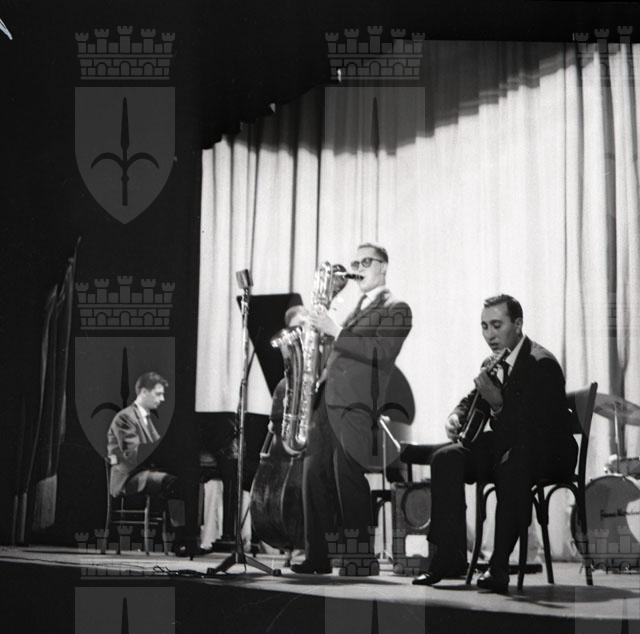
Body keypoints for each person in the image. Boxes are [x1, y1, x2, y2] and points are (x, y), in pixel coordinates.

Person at [413, 295, 577, 592]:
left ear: (518, 324)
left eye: (497, 325)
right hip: (509, 448)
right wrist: (456, 415)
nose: (489, 334)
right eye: (484, 326)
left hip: (548, 452)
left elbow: (539, 428)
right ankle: (449, 557)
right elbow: (471, 399)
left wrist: (499, 405)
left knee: (514, 462)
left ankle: (498, 566)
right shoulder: (492, 362)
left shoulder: (542, 363)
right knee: (446, 458)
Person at [291, 242, 412, 576]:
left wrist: (335, 330)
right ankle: (318, 557)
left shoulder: (397, 307)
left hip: (358, 403)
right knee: (314, 475)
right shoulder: (358, 306)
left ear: (383, 266)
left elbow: (382, 351)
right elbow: (341, 350)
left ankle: (361, 559)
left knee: (347, 476)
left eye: (365, 262)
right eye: (355, 263)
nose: (358, 269)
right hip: (327, 399)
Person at [107, 371, 191, 555]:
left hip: (142, 472)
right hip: (127, 477)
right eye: (158, 394)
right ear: (144, 392)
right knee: (173, 483)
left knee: (184, 479)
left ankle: (184, 538)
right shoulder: (125, 418)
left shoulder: (146, 418)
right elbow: (132, 454)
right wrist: (162, 448)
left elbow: (153, 449)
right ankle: (180, 541)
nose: (162, 399)